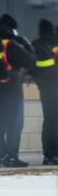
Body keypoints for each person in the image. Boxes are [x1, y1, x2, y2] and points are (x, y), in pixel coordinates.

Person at [0, 14, 37, 168]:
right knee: (14, 124)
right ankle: (12, 157)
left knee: (0, 123)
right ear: (12, 29)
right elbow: (31, 61)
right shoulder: (10, 44)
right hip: (12, 88)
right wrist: (27, 44)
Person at [29, 19, 57, 166]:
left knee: (48, 121)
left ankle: (48, 155)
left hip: (45, 90)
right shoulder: (56, 44)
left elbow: (31, 67)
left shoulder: (34, 45)